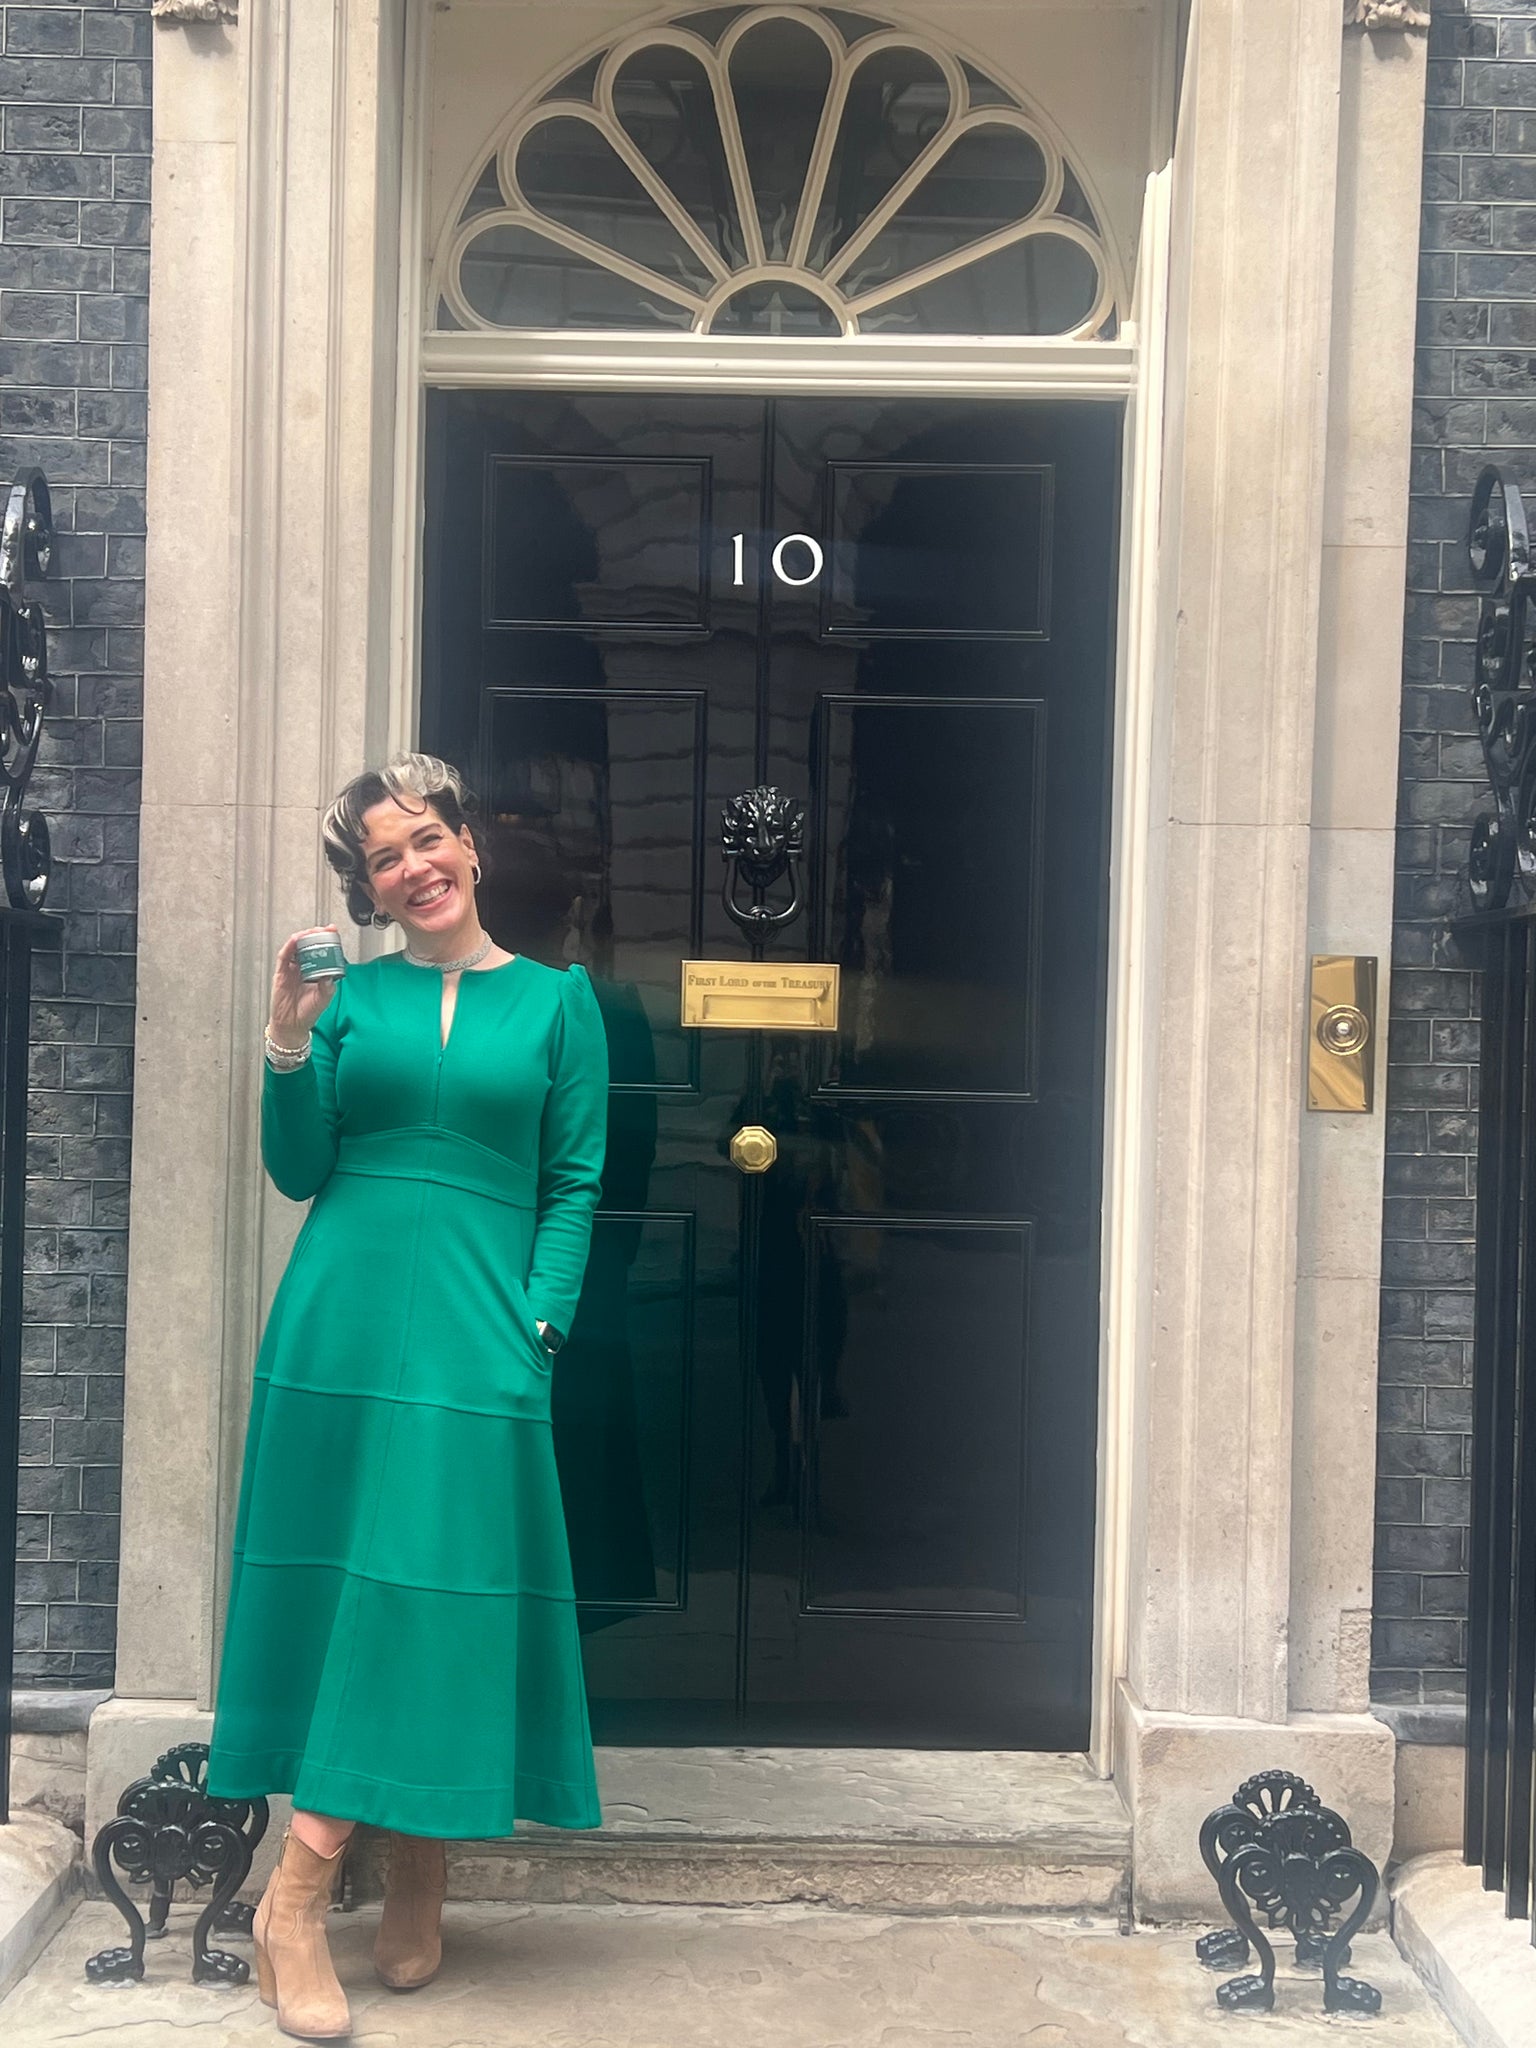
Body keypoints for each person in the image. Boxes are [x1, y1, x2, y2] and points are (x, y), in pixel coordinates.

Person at [203, 753, 609, 2040]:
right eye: (386, 857)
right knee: (347, 1581)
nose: (414, 866)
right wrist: (285, 1033)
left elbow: (577, 1178)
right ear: (368, 886)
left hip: (483, 1328)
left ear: (470, 844)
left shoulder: (559, 1003)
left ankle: (315, 1877)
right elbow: (295, 1164)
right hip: (342, 1313)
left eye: (427, 838)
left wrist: (539, 1320)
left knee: (436, 1580)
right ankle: (334, 1894)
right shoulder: (348, 998)